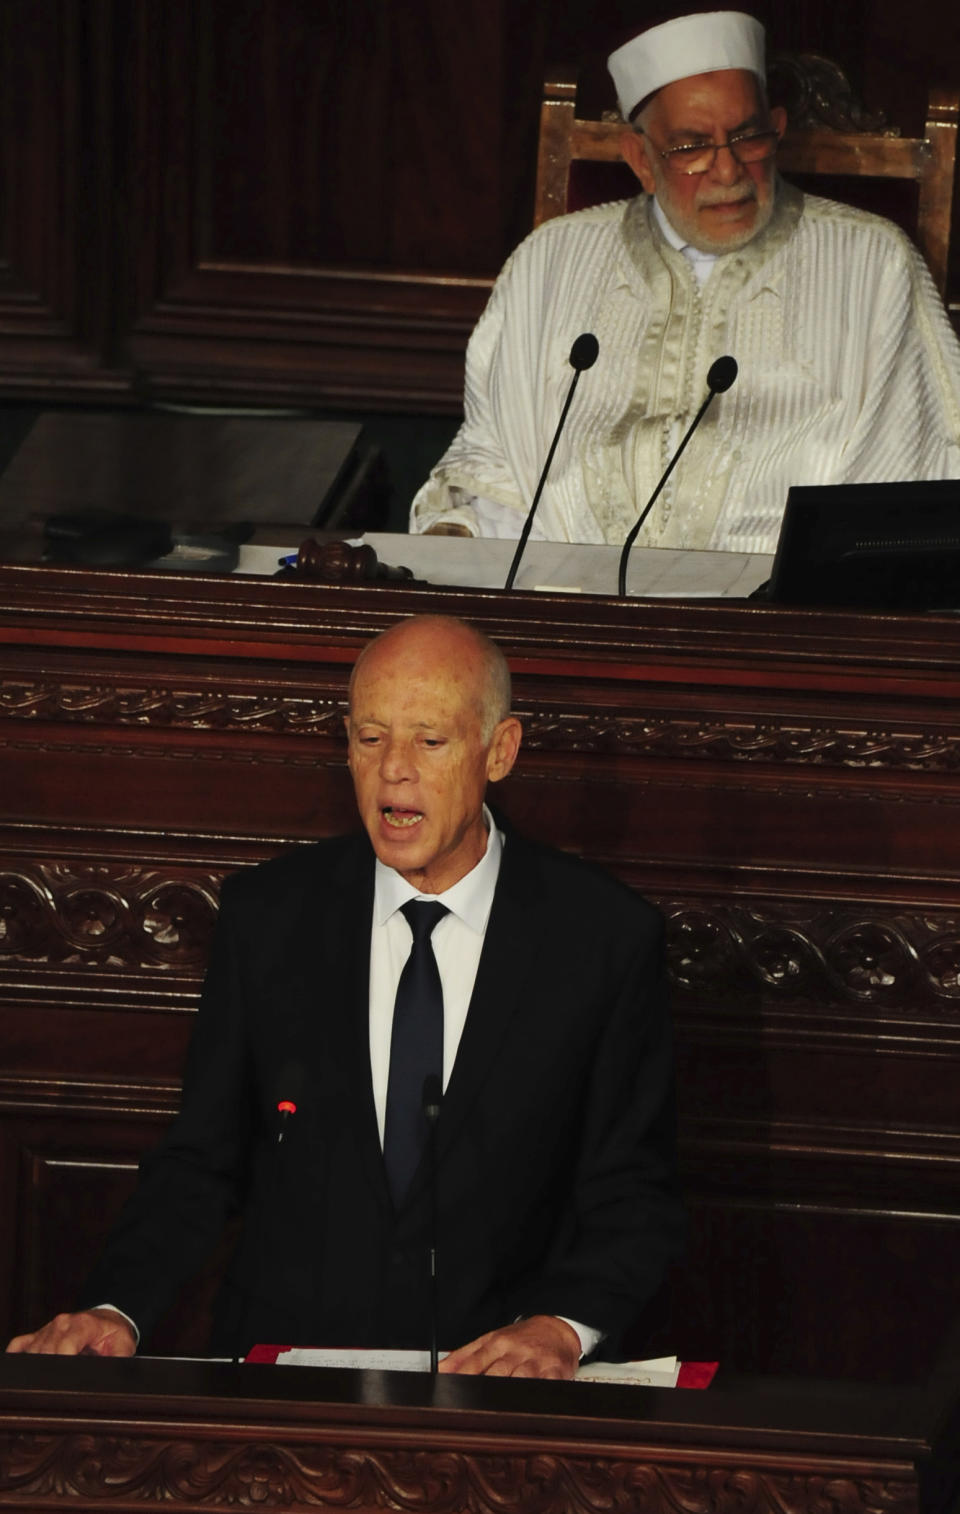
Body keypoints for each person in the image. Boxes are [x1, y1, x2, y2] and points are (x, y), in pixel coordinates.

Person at [6, 615, 680, 1379]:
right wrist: (115, 1308)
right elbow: (200, 1160)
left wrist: (561, 1328)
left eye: (430, 741)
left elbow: (632, 1193)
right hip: (285, 1394)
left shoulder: (601, 937)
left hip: (495, 1395)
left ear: (500, 751)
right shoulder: (269, 917)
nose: (394, 771)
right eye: (369, 738)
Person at [409, 10, 960, 555]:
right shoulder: (549, 262)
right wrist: (456, 536)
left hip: (782, 615)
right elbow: (494, 466)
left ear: (778, 129)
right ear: (641, 160)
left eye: (747, 137)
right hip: (569, 599)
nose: (728, 172)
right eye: (692, 147)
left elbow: (915, 464)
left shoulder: (873, 263)